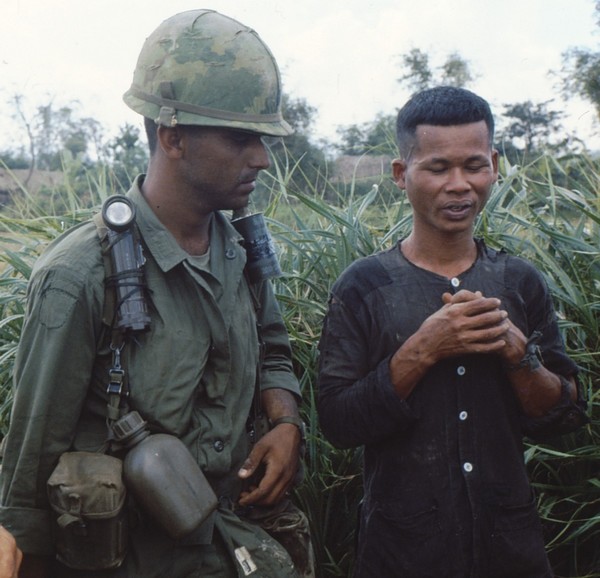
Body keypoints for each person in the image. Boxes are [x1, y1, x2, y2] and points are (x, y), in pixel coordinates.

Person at [0, 10, 310, 578]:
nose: (262, 158)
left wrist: (285, 421)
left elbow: (272, 346)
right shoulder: (80, 276)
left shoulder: (238, 246)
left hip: (232, 542)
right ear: (173, 138)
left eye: (263, 140)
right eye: (242, 139)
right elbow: (28, 479)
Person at [317, 86, 588, 578]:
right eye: (438, 168)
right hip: (401, 552)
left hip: (510, 550)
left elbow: (566, 415)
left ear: (495, 166)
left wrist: (519, 355)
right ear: (402, 175)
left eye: (474, 165)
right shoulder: (364, 286)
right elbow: (337, 423)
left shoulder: (520, 282)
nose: (459, 185)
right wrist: (422, 350)